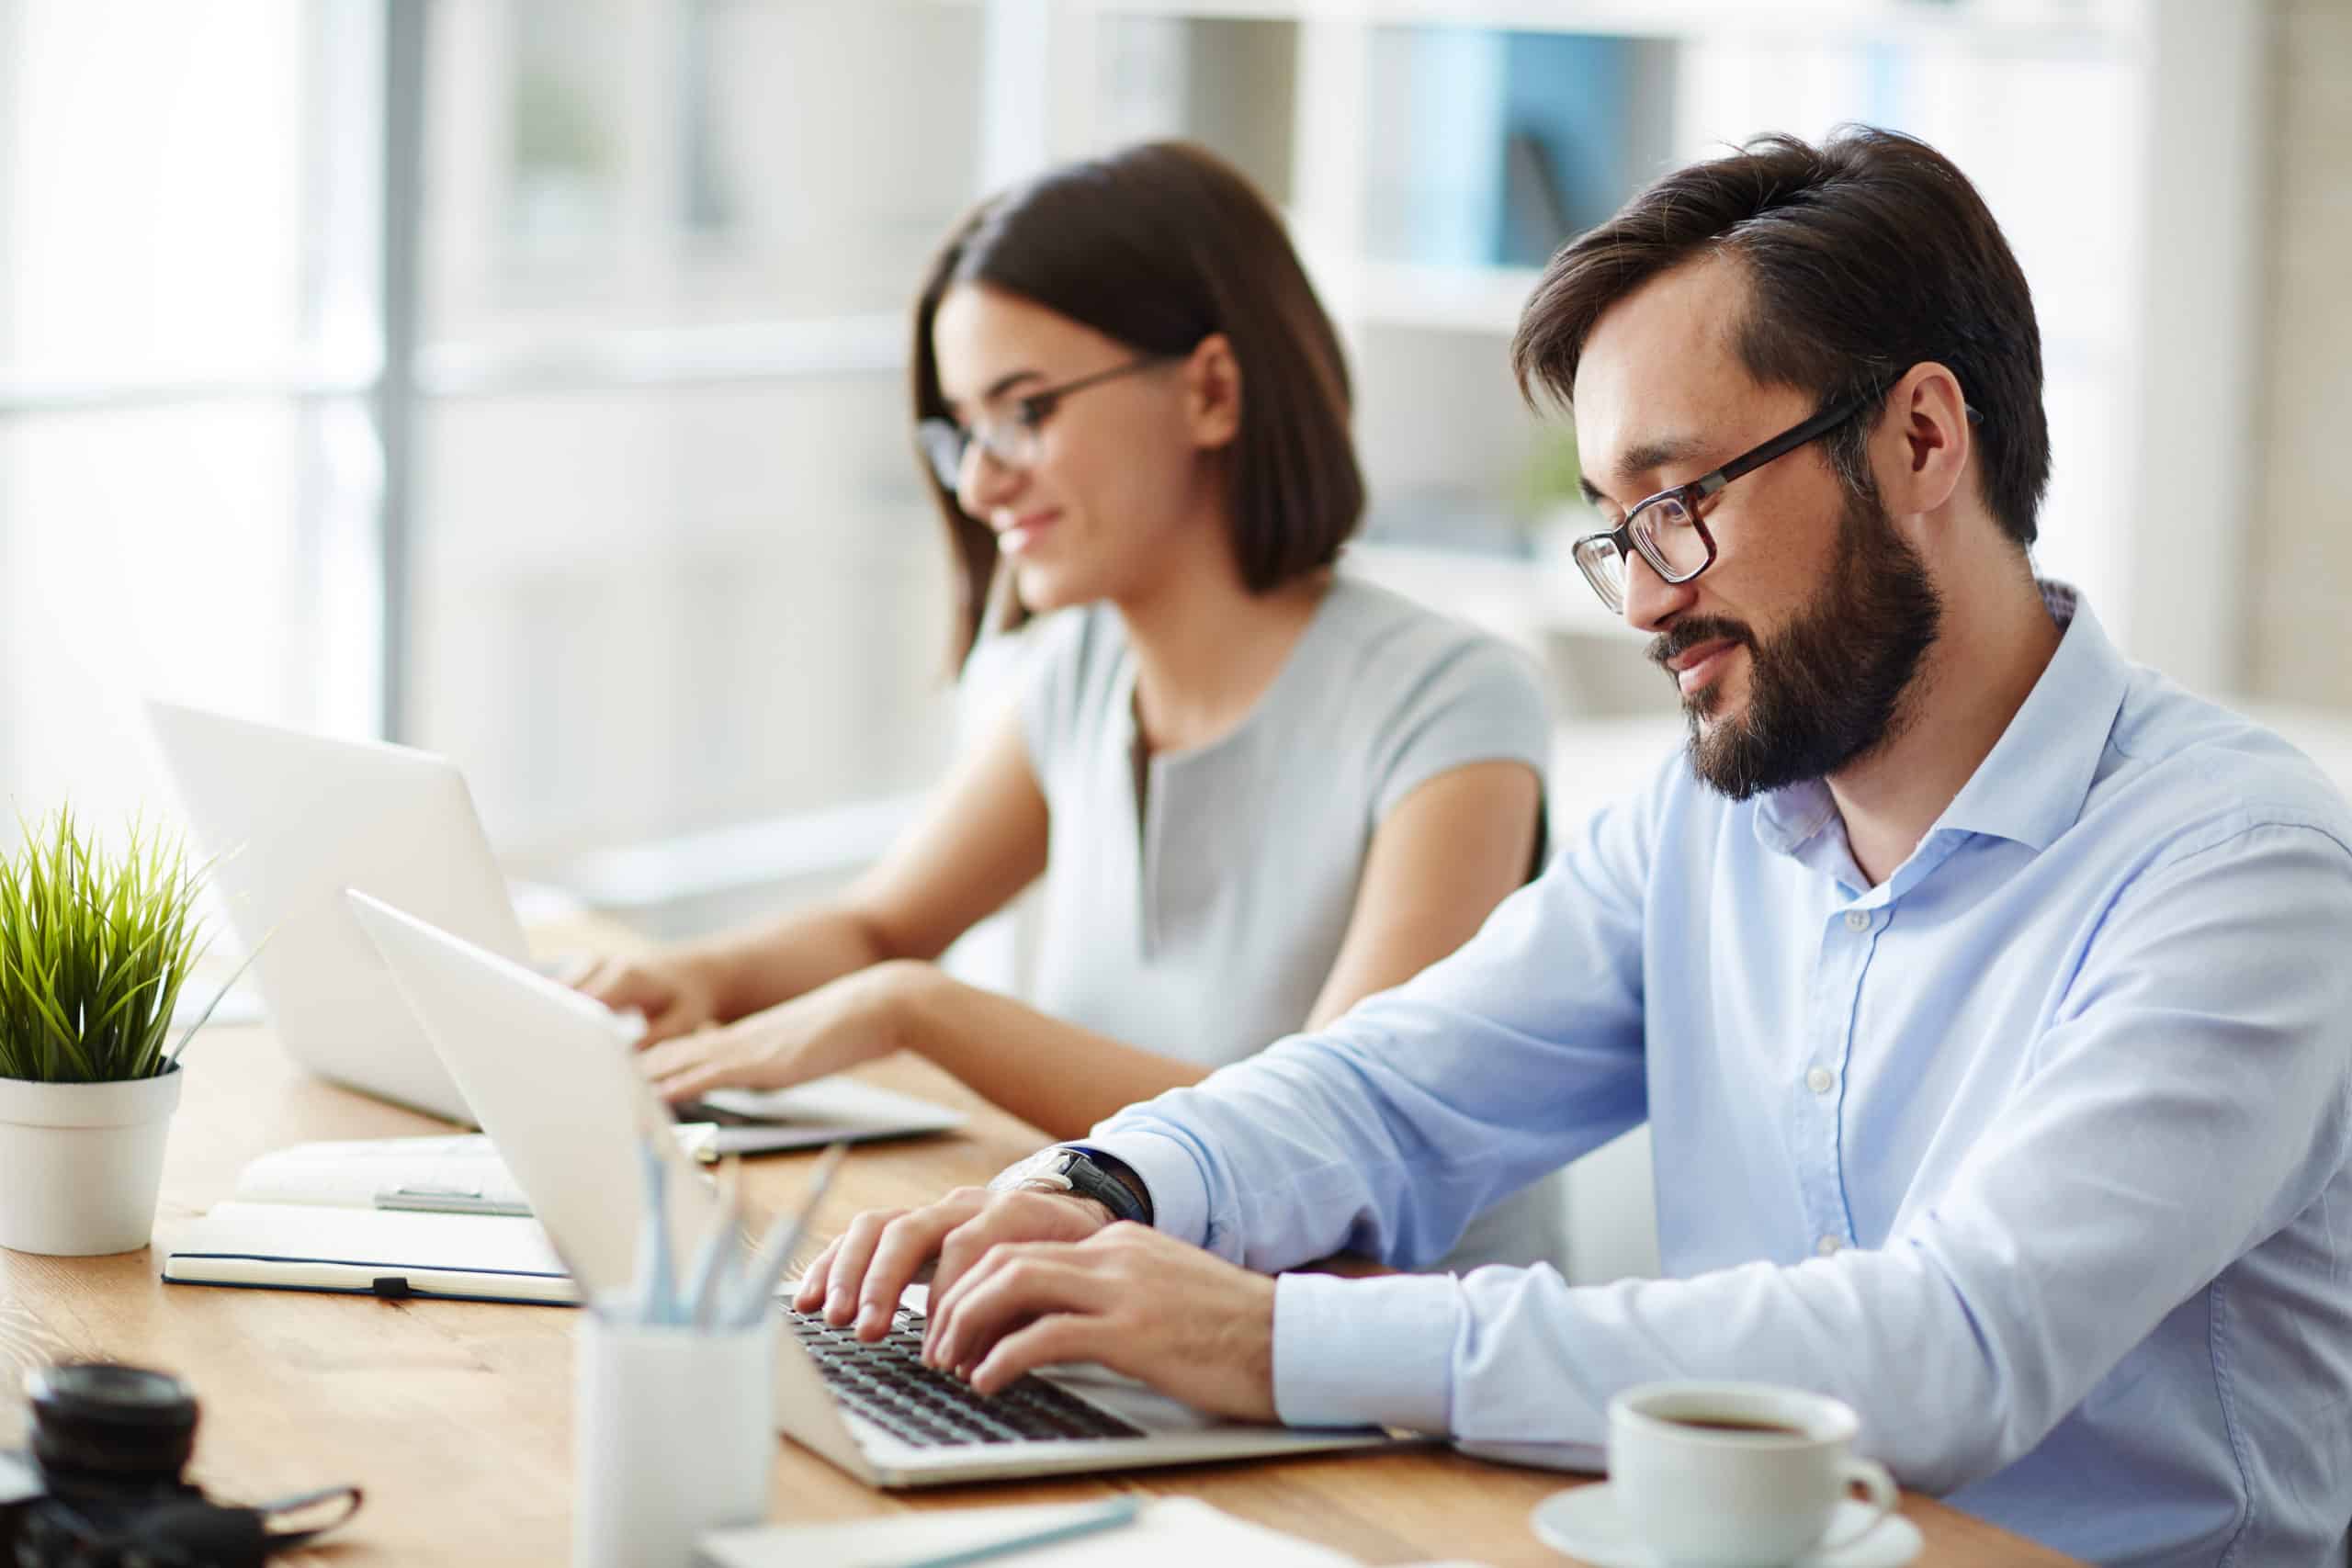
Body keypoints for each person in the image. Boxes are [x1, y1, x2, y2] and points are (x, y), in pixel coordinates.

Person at [794, 128, 2352, 1568]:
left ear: (1923, 438)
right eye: (1617, 526)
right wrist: (1101, 1186)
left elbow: (1948, 1350)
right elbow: (1390, 1085)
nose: (1649, 598)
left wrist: (1265, 1338)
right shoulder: (1709, 821)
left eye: (1681, 500)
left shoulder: (2241, 872)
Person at [574, 141, 1566, 1269]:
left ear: (1211, 390)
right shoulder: (1081, 670)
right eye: (962, 430)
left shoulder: (1452, 703)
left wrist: (915, 1009)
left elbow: (1330, 1138)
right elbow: (882, 927)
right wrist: (692, 979)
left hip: (1367, 1355)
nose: (979, 481)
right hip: (1125, 1308)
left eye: (1026, 410)